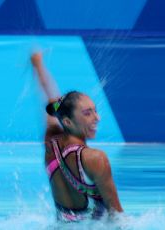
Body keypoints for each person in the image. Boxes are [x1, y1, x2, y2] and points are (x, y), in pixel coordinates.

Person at [31, 52, 123, 222]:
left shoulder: (51, 142)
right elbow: (117, 216)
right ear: (67, 121)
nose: (97, 118)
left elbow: (51, 100)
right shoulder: (95, 159)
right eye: (88, 113)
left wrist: (38, 66)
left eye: (95, 111)